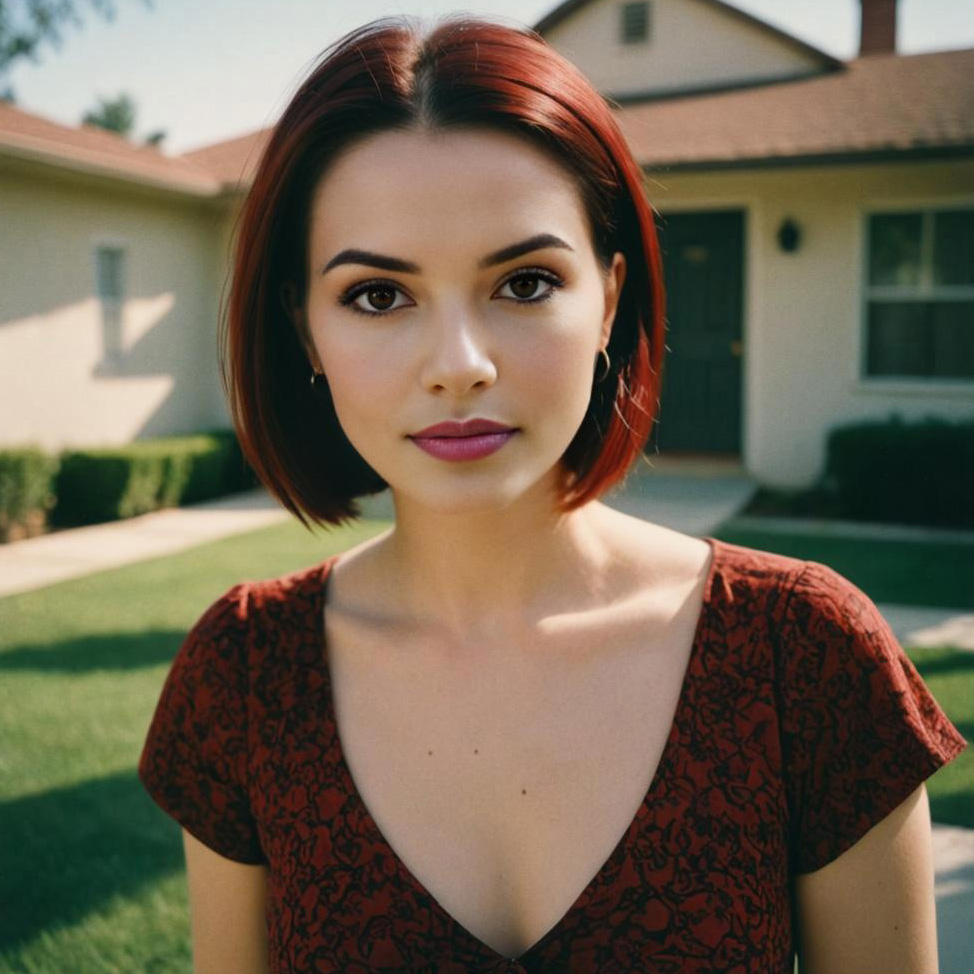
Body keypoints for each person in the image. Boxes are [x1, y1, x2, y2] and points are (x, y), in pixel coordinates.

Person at [138, 14, 966, 974]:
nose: (460, 366)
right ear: (305, 329)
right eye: (377, 295)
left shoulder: (805, 657)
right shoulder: (244, 679)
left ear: (609, 301)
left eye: (525, 283)